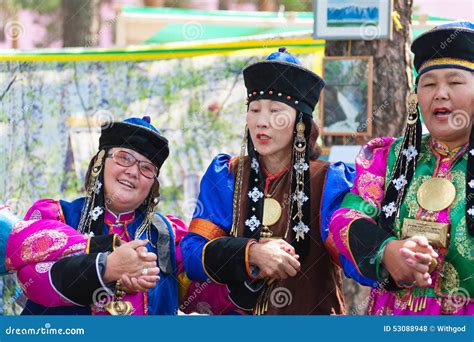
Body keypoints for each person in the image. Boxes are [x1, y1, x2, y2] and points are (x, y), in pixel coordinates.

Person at [180, 48, 355, 315]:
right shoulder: (227, 175)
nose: (262, 122)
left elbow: (351, 254)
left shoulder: (328, 181)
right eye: (255, 110)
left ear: (300, 123)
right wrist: (251, 254)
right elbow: (193, 255)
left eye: (276, 111)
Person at [328, 21, 474, 315]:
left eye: (455, 82)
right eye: (429, 84)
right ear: (415, 97)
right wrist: (386, 251)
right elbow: (346, 217)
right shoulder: (390, 157)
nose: (440, 93)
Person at [6, 116, 190, 315]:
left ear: (153, 185)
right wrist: (107, 268)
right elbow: (30, 280)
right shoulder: (57, 216)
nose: (133, 172)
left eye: (146, 168)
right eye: (124, 158)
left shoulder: (167, 234)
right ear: (99, 163)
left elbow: (201, 291)